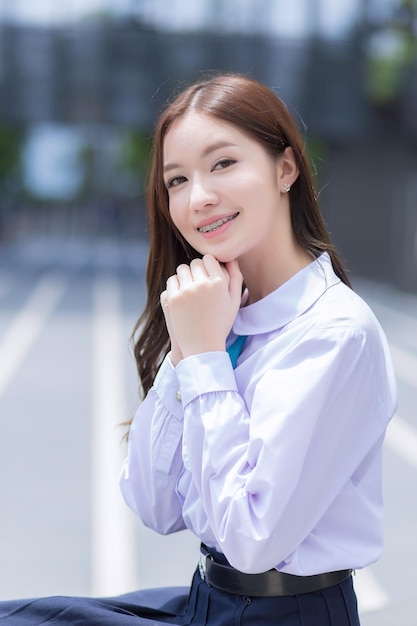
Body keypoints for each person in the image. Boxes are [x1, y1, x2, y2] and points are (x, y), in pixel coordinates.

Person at [0, 73, 397, 625]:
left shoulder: (332, 334)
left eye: (223, 164)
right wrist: (187, 352)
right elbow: (152, 503)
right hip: (208, 598)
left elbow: (253, 540)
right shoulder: (215, 315)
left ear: (286, 169)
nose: (198, 198)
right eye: (177, 180)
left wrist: (207, 358)